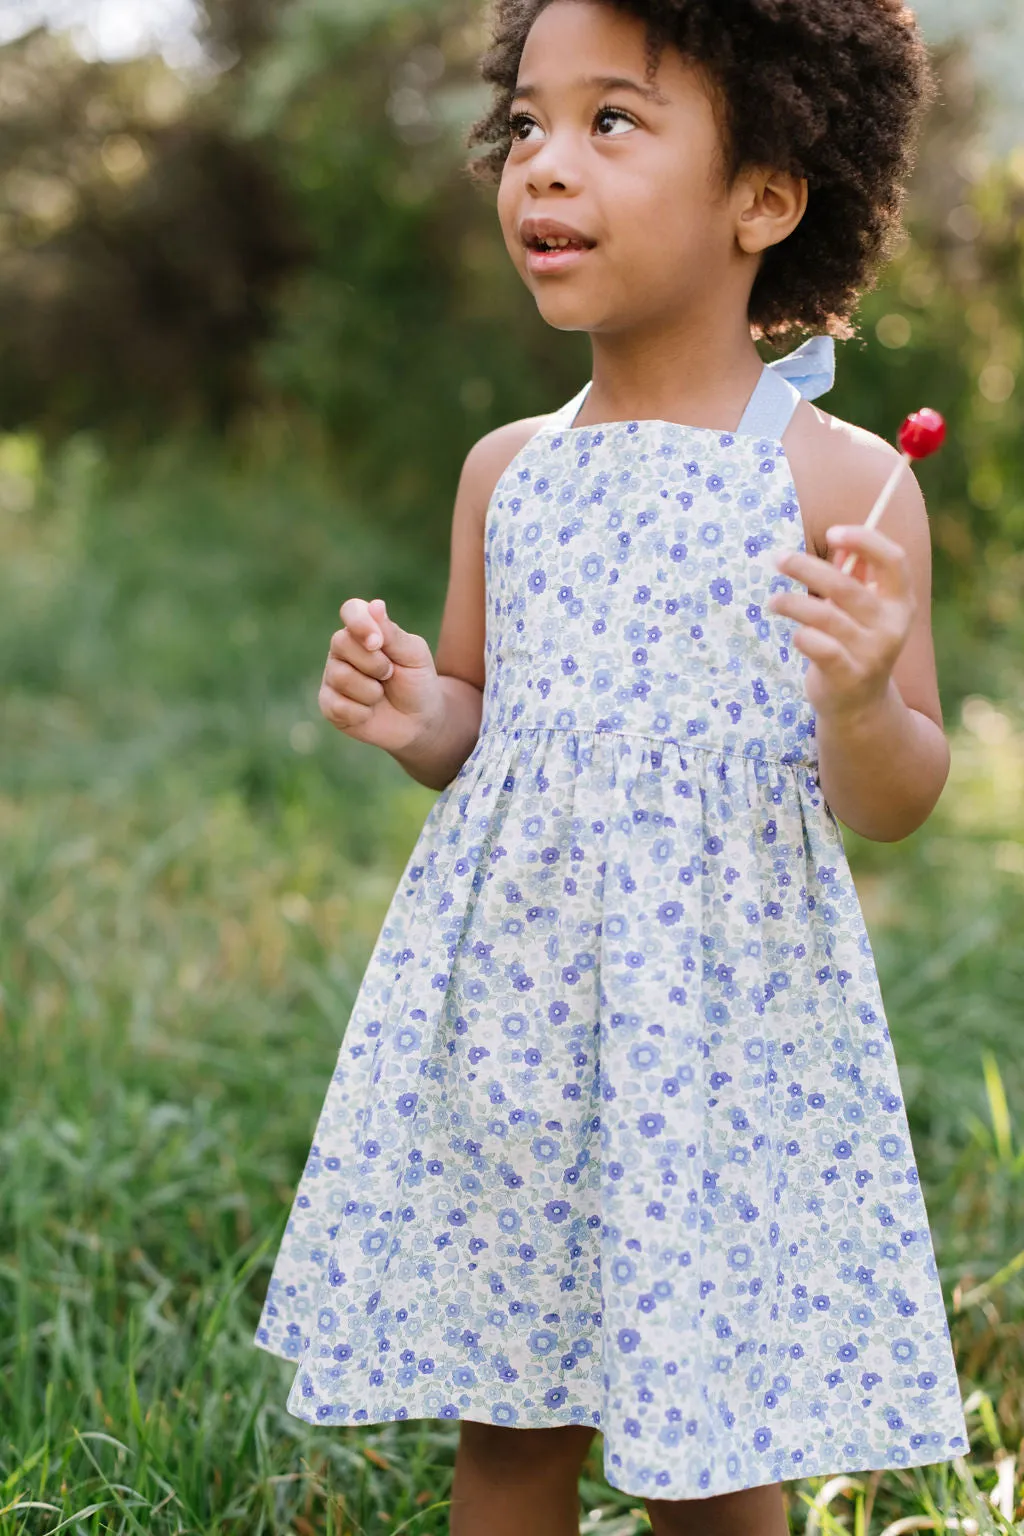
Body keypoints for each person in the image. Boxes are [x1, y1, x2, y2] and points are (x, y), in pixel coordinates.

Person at [254, 1, 970, 1530]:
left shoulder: (844, 486)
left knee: (716, 1454)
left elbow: (899, 796)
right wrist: (413, 714)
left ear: (766, 197)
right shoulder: (508, 473)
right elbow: (478, 723)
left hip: (721, 1043)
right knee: (512, 1425)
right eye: (526, 125)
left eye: (613, 123)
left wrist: (854, 698)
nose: (544, 168)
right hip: (518, 1025)